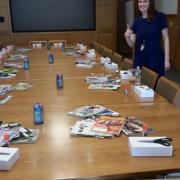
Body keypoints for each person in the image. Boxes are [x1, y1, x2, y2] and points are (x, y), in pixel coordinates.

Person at [124, 0, 170, 76]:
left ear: (150, 3)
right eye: (140, 1)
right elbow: (131, 44)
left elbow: (166, 39)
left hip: (155, 58)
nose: (142, 4)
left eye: (145, 1)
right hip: (139, 60)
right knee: (139, 85)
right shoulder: (136, 21)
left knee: (154, 86)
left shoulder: (160, 17)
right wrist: (126, 36)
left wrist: (167, 59)